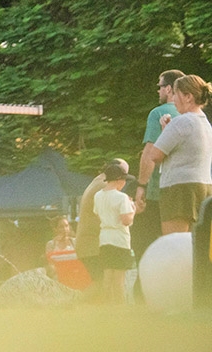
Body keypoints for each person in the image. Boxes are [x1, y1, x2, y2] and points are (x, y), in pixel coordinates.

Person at [136, 74, 212, 235]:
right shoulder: (205, 123)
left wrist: (166, 130)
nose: (174, 99)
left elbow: (155, 155)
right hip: (204, 186)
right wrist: (168, 131)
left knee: (175, 241)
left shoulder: (181, 121)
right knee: (195, 241)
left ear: (188, 97)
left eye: (176, 94)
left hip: (179, 189)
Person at [132, 70, 182, 259]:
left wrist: (141, 186)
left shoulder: (159, 113)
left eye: (159, 86)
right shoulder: (192, 115)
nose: (158, 91)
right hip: (184, 190)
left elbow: (149, 153)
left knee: (147, 244)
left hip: (158, 191)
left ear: (169, 89)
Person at [76, 157, 128, 286]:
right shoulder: (104, 187)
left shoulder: (98, 182)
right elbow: (118, 218)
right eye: (123, 175)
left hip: (88, 244)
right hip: (93, 245)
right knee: (102, 285)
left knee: (101, 283)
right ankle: (73, 300)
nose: (124, 180)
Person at [94, 161, 136, 303]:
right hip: (119, 239)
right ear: (119, 180)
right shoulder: (122, 197)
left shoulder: (98, 196)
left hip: (104, 238)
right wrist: (133, 209)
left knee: (107, 277)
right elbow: (126, 220)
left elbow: (98, 215)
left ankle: (106, 305)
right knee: (119, 279)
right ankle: (120, 307)